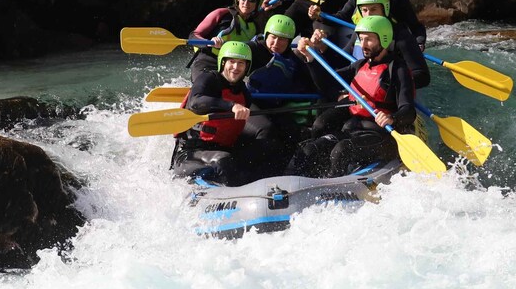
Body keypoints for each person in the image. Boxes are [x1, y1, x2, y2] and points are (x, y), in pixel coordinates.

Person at [285, 16, 416, 178]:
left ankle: (332, 188)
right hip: (353, 130)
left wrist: (392, 118)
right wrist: (310, 58)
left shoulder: (397, 70)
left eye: (369, 39)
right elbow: (327, 82)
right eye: (361, 39)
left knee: (341, 151)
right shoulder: (360, 65)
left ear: (384, 39)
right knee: (311, 150)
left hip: (382, 135)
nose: (363, 45)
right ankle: (302, 181)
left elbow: (409, 110)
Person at [171, 41, 281, 186]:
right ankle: (234, 193)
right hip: (190, 155)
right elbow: (196, 103)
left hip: (223, 150)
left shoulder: (244, 93)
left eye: (241, 63)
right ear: (223, 63)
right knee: (223, 159)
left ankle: (267, 188)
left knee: (270, 145)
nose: (236, 67)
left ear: (247, 67)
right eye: (232, 62)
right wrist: (231, 106)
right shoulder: (207, 79)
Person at [241, 14, 317, 173]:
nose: (276, 43)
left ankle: (283, 172)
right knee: (266, 130)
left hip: (275, 106)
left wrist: (311, 56)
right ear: (266, 35)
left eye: (282, 39)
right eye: (273, 37)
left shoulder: (293, 60)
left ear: (289, 41)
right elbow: (230, 61)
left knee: (295, 133)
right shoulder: (252, 49)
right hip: (248, 103)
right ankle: (248, 171)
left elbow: (311, 83)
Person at [187, 0, 265, 82]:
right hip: (208, 62)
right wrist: (210, 43)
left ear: (258, 2)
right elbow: (193, 35)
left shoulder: (255, 25)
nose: (246, 2)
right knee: (206, 86)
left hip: (233, 67)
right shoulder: (221, 14)